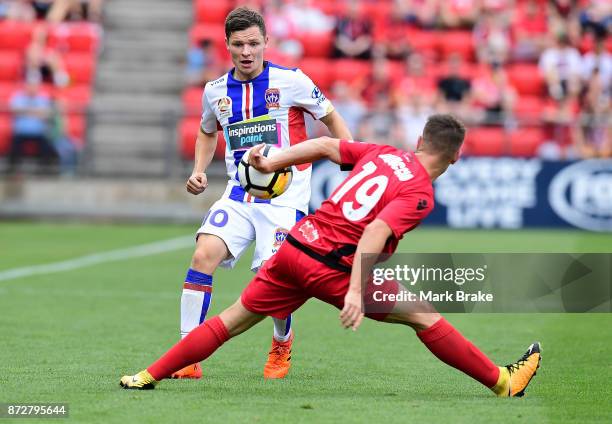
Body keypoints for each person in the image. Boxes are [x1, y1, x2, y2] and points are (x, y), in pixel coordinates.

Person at [120, 114, 542, 398]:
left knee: (229, 321)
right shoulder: (419, 192)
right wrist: (357, 292)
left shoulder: (384, 153)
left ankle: (146, 375)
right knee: (423, 315)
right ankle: (503, 382)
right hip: (333, 268)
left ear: (418, 142)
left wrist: (272, 163)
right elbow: (376, 231)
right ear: (456, 156)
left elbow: (323, 144)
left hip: (294, 248)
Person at [175, 7, 352, 380]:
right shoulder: (216, 91)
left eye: (254, 43)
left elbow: (330, 115)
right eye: (238, 44)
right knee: (202, 254)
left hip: (285, 199)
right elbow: (208, 131)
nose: (246, 51)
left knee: (273, 274)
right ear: (227, 46)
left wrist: (350, 154)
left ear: (266, 43)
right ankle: (186, 355)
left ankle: (281, 341)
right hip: (239, 193)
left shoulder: (292, 81)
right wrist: (198, 170)